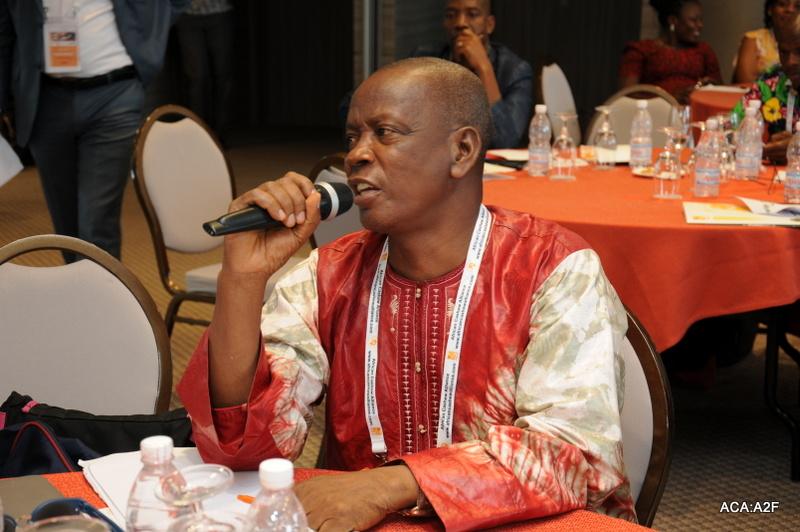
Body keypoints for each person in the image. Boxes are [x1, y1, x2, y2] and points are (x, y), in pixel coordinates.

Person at [178, 57, 635, 531]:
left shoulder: (551, 268)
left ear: (461, 150)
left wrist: (384, 486)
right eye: (352, 138)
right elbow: (244, 448)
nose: (356, 155)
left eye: (385, 133)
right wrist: (242, 279)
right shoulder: (328, 276)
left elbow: (571, 455)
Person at [0, 0, 188, 261]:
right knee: (66, 226)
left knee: (96, 222)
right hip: (46, 100)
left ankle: (100, 287)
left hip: (115, 96)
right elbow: (5, 29)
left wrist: (150, 35)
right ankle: (79, 285)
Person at [408, 0, 532, 148]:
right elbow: (405, 124)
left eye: (472, 15)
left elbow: (504, 140)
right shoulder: (423, 60)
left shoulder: (515, 70)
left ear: (489, 25)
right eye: (451, 15)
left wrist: (484, 68)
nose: (460, 23)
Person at [619, 0, 722, 103]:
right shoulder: (641, 50)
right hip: (655, 111)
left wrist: (710, 87)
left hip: (696, 110)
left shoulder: (704, 50)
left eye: (701, 20)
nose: (700, 25)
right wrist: (669, 98)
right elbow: (626, 95)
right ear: (673, 20)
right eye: (693, 20)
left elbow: (721, 91)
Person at [733, 10, 800, 163]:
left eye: (799, 52)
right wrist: (754, 145)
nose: (791, 61)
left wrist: (796, 150)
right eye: (784, 52)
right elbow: (728, 131)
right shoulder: (772, 81)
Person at [176, 0, 235, 143]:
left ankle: (220, 134)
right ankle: (198, 135)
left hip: (219, 12)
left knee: (222, 75)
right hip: (187, 15)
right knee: (197, 77)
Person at [732, 0, 799, 84]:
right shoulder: (754, 39)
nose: (790, 10)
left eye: (798, 6)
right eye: (782, 4)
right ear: (770, 9)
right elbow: (746, 84)